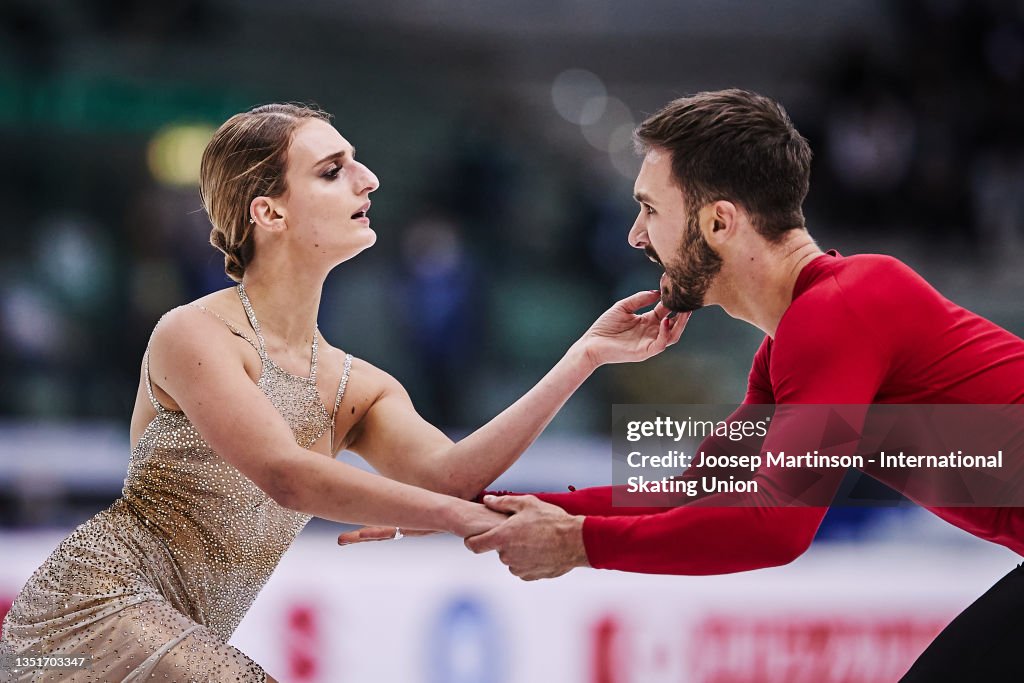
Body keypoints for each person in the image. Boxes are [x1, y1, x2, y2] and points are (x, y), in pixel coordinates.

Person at [0, 103, 687, 682]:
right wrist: (456, 521)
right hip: (91, 608)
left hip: (175, 633)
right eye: (332, 171)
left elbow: (451, 478)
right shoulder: (196, 333)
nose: (369, 178)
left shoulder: (355, 385)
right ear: (268, 212)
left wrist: (582, 357)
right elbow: (286, 474)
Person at [377, 89, 1024, 681]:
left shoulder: (841, 310)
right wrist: (476, 512)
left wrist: (577, 544)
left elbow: (775, 526)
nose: (635, 235)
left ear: (719, 223)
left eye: (650, 209)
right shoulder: (796, 341)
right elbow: (699, 492)